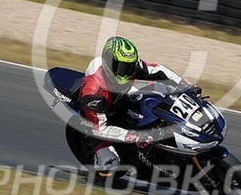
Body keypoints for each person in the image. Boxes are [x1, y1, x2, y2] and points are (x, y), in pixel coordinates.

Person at [78, 36, 199, 173]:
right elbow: (100, 128)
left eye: (129, 66)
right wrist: (135, 136)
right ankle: (100, 159)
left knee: (157, 94)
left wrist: (185, 85)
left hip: (119, 96)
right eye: (121, 67)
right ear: (109, 63)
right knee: (109, 165)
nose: (127, 71)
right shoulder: (93, 94)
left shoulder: (132, 66)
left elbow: (158, 70)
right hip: (95, 120)